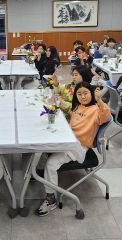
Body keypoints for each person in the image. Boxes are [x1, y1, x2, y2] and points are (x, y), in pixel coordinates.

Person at [36, 82, 111, 216]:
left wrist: (99, 100)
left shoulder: (96, 110)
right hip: (67, 140)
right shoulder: (78, 106)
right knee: (39, 144)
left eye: (86, 93)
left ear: (92, 94)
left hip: (78, 147)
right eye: (79, 94)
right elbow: (69, 109)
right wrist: (58, 99)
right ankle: (35, 173)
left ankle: (51, 198)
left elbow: (106, 115)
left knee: (51, 164)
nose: (83, 96)